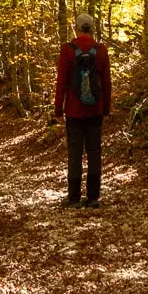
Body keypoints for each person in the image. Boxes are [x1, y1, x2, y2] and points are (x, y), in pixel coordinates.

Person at [54, 12, 111, 208]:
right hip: (95, 109)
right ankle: (94, 197)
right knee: (95, 152)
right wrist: (106, 108)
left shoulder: (67, 50)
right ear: (93, 28)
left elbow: (61, 81)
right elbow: (106, 82)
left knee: (75, 152)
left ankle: (74, 198)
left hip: (73, 111)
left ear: (76, 28)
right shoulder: (101, 50)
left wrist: (58, 108)